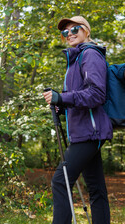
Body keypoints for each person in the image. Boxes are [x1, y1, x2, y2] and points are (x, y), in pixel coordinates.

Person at [42, 16, 112, 224]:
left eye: (75, 29)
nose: (69, 34)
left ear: (86, 31)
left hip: (90, 133)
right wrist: (61, 105)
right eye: (65, 32)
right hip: (85, 131)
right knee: (96, 188)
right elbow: (80, 99)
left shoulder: (89, 54)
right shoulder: (75, 60)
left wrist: (63, 97)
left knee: (60, 181)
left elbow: (97, 94)